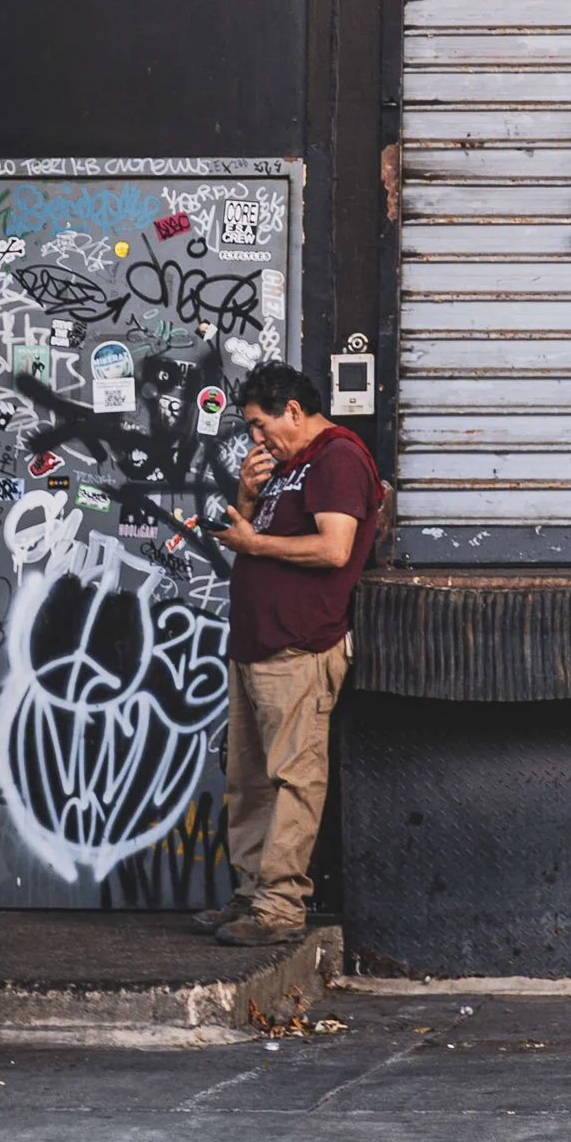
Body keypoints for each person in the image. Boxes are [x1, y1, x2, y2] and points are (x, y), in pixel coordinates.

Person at [201, 361, 386, 946]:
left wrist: (253, 541)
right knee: (250, 779)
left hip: (299, 647)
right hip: (257, 644)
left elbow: (334, 549)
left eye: (259, 425)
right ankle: (251, 896)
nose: (256, 439)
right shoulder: (292, 466)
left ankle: (279, 909)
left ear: (294, 411)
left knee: (292, 779)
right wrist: (247, 497)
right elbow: (258, 544)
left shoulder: (338, 458)